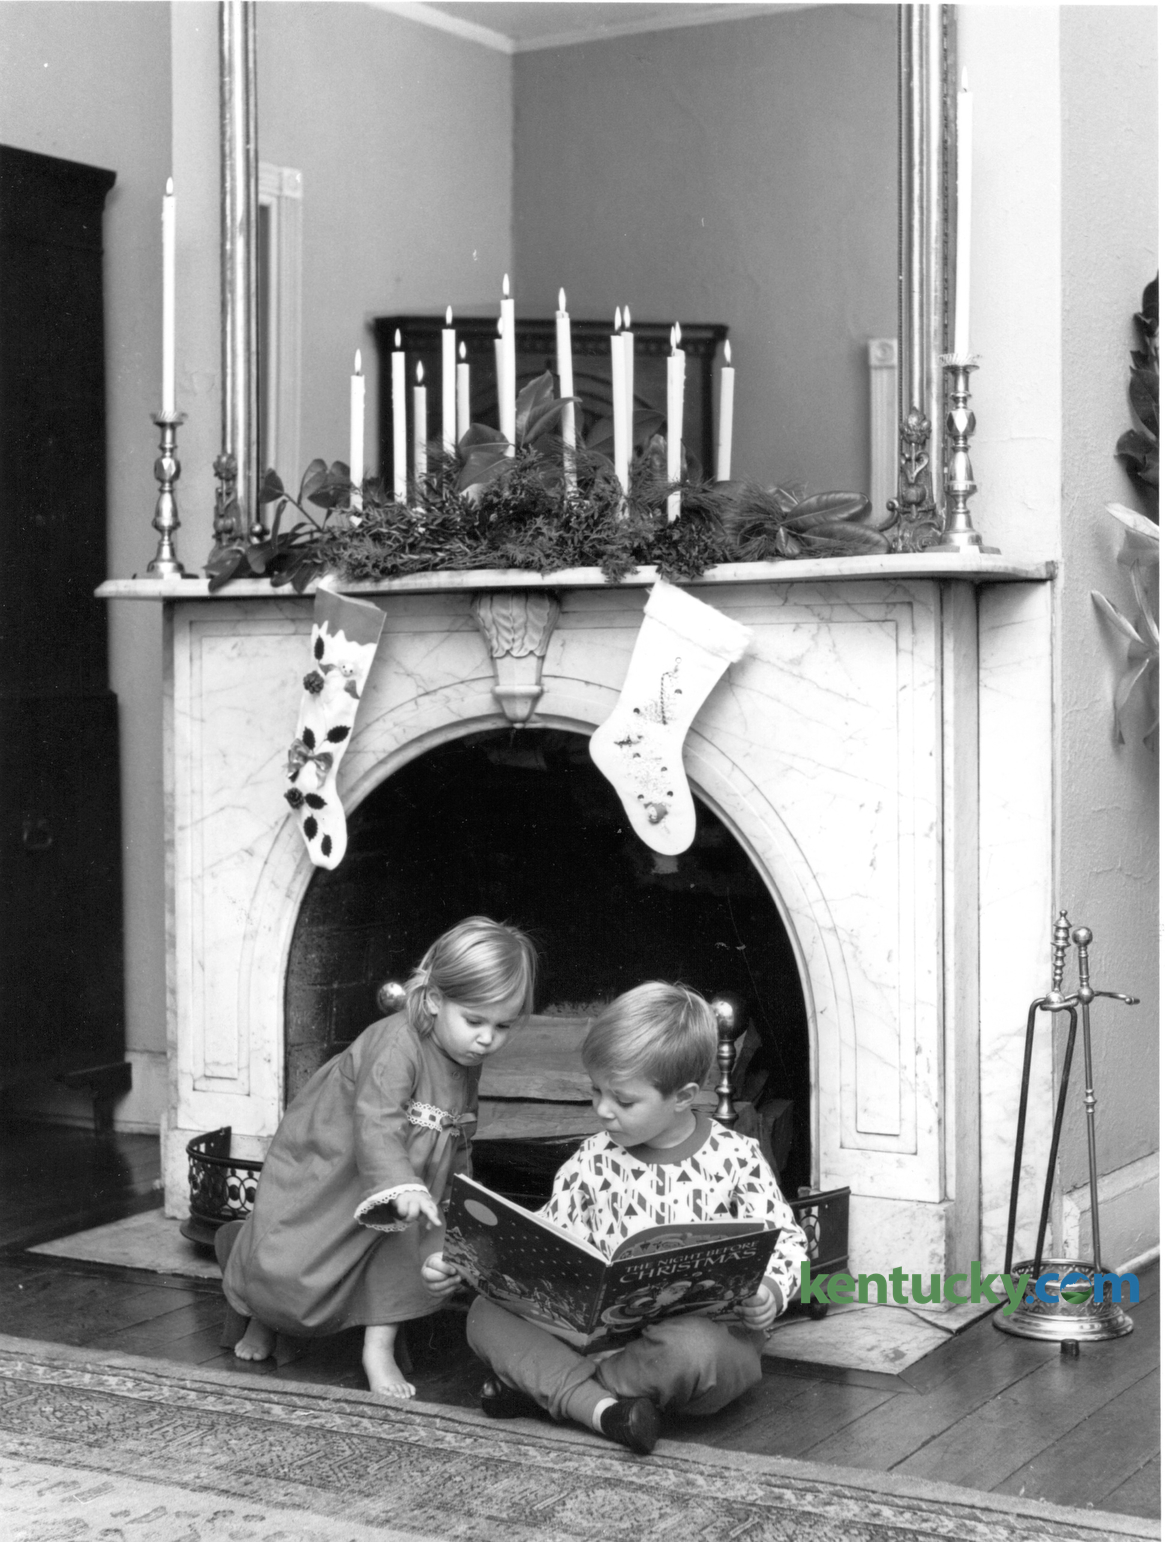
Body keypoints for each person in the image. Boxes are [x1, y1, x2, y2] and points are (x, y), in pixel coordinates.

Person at [422, 981, 808, 1455]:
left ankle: (557, 1393)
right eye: (596, 1091)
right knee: (484, 1316)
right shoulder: (592, 1158)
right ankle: (608, 1412)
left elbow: (787, 1240)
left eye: (623, 1101)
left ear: (684, 1097)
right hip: (590, 1338)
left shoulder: (735, 1157)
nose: (603, 1110)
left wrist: (770, 1290)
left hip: (691, 1342)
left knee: (694, 1353)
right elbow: (548, 1233)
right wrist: (469, 1263)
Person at [218, 915, 537, 1397]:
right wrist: (401, 1181)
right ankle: (264, 1316)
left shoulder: (466, 1056)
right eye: (475, 1021)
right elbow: (376, 1117)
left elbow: (457, 1127)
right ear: (433, 1000)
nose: (487, 1039)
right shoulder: (397, 1043)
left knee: (403, 1253)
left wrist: (459, 1195)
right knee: (294, 1253)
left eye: (503, 1026)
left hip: (411, 1174)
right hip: (340, 1164)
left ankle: (378, 1348)